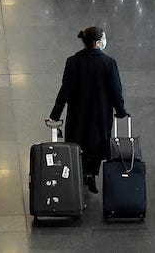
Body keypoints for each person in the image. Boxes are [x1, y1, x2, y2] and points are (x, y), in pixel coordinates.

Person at [48, 26, 127, 194]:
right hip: (100, 113)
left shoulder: (73, 61)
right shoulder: (109, 63)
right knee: (97, 143)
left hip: (78, 112)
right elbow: (116, 90)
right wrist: (120, 110)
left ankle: (80, 172)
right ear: (98, 42)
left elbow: (65, 89)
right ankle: (92, 173)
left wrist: (56, 113)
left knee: (78, 142)